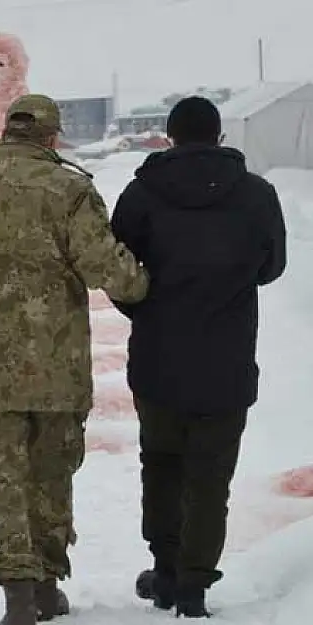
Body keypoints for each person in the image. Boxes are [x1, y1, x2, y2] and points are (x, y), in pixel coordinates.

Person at [0, 94, 150, 625]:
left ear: (6, 133)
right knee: (51, 474)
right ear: (52, 137)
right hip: (56, 369)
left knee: (0, 480)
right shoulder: (71, 189)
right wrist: (150, 286)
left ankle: (17, 594)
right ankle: (43, 587)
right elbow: (105, 267)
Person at [109, 96, 287, 618]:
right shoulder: (256, 195)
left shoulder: (142, 194)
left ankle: (165, 570)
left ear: (169, 136)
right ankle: (194, 584)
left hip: (159, 358)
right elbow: (272, 266)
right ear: (220, 137)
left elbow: (119, 271)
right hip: (227, 360)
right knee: (211, 476)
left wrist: (146, 308)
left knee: (161, 464)